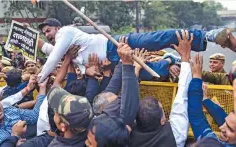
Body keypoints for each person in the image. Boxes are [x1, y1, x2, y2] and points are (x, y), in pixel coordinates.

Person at [36, 18, 236, 82]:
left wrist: (39, 78)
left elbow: (52, 57)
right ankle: (171, 63)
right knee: (151, 75)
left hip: (116, 44)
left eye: (49, 31)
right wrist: (88, 69)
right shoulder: (67, 51)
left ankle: (209, 35)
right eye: (45, 33)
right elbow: (47, 49)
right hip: (114, 64)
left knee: (158, 38)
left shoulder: (66, 33)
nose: (49, 35)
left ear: (57, 28)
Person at [129, 30, 192, 147]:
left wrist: (136, 70)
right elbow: (182, 95)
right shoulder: (175, 135)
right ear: (162, 121)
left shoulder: (128, 134)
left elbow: (128, 99)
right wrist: (185, 57)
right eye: (163, 111)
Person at [188, 53, 236, 147]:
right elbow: (225, 118)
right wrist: (206, 100)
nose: (221, 128)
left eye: (230, 129)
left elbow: (196, 117)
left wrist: (196, 79)